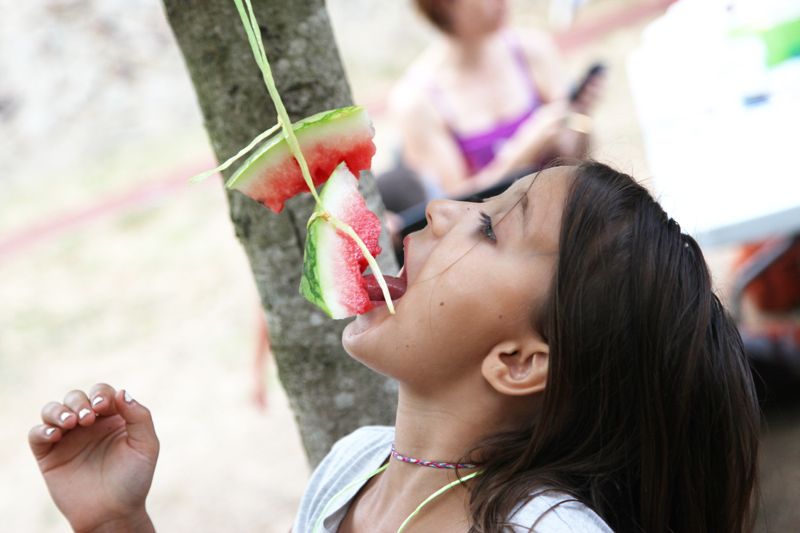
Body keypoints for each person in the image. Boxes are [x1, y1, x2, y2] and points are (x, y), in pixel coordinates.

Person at [28, 162, 759, 532]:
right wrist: (118, 521)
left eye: (493, 226)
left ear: (520, 359)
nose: (441, 208)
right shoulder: (352, 471)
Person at [388, 0, 602, 199]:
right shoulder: (417, 100)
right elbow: (455, 207)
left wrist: (580, 119)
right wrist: (524, 150)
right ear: (443, 4)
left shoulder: (533, 50)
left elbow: (574, 163)